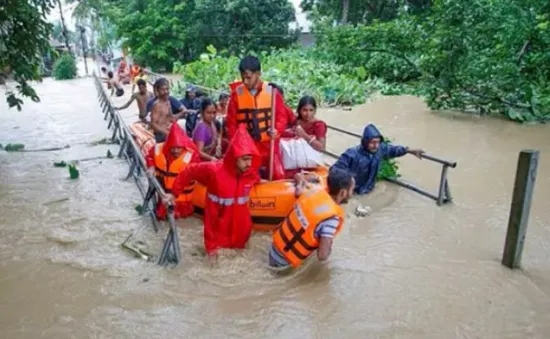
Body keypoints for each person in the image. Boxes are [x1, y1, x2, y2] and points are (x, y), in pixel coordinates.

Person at [167, 125, 261, 256]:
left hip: (240, 232)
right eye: (245, 159)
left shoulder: (249, 174)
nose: (249, 163)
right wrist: (173, 193)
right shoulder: (214, 170)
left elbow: (257, 179)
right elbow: (189, 171)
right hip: (217, 233)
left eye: (250, 159)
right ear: (234, 157)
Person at [268, 169, 355, 269]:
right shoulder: (331, 219)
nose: (352, 193)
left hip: (273, 248)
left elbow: (297, 192)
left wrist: (301, 182)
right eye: (352, 190)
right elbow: (322, 256)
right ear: (343, 193)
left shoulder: (314, 191)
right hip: (284, 263)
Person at [226, 56, 288, 180]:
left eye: (248, 77)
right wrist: (238, 145)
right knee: (248, 177)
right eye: (243, 77)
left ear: (258, 74)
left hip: (269, 144)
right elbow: (231, 123)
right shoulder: (236, 95)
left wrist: (277, 131)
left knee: (278, 175)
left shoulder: (273, 92)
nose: (245, 81)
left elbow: (282, 117)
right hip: (248, 146)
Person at [331, 123, 424, 195]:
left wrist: (409, 150)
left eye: (378, 142)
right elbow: (336, 169)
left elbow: (393, 150)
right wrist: (349, 180)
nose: (376, 146)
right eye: (373, 142)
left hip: (369, 188)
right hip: (353, 191)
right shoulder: (352, 154)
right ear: (365, 142)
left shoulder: (380, 149)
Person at [145, 124, 200, 219]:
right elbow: (149, 156)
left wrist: (174, 194)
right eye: (173, 148)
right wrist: (151, 166)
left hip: (183, 203)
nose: (175, 151)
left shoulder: (192, 156)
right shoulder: (158, 148)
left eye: (179, 148)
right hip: (164, 198)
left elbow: (189, 176)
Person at [150, 78, 187, 142]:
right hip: (161, 136)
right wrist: (166, 132)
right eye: (163, 89)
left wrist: (183, 112)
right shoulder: (157, 105)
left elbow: (171, 118)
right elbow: (153, 124)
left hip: (169, 131)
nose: (166, 92)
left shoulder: (168, 102)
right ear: (158, 90)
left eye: (167, 89)